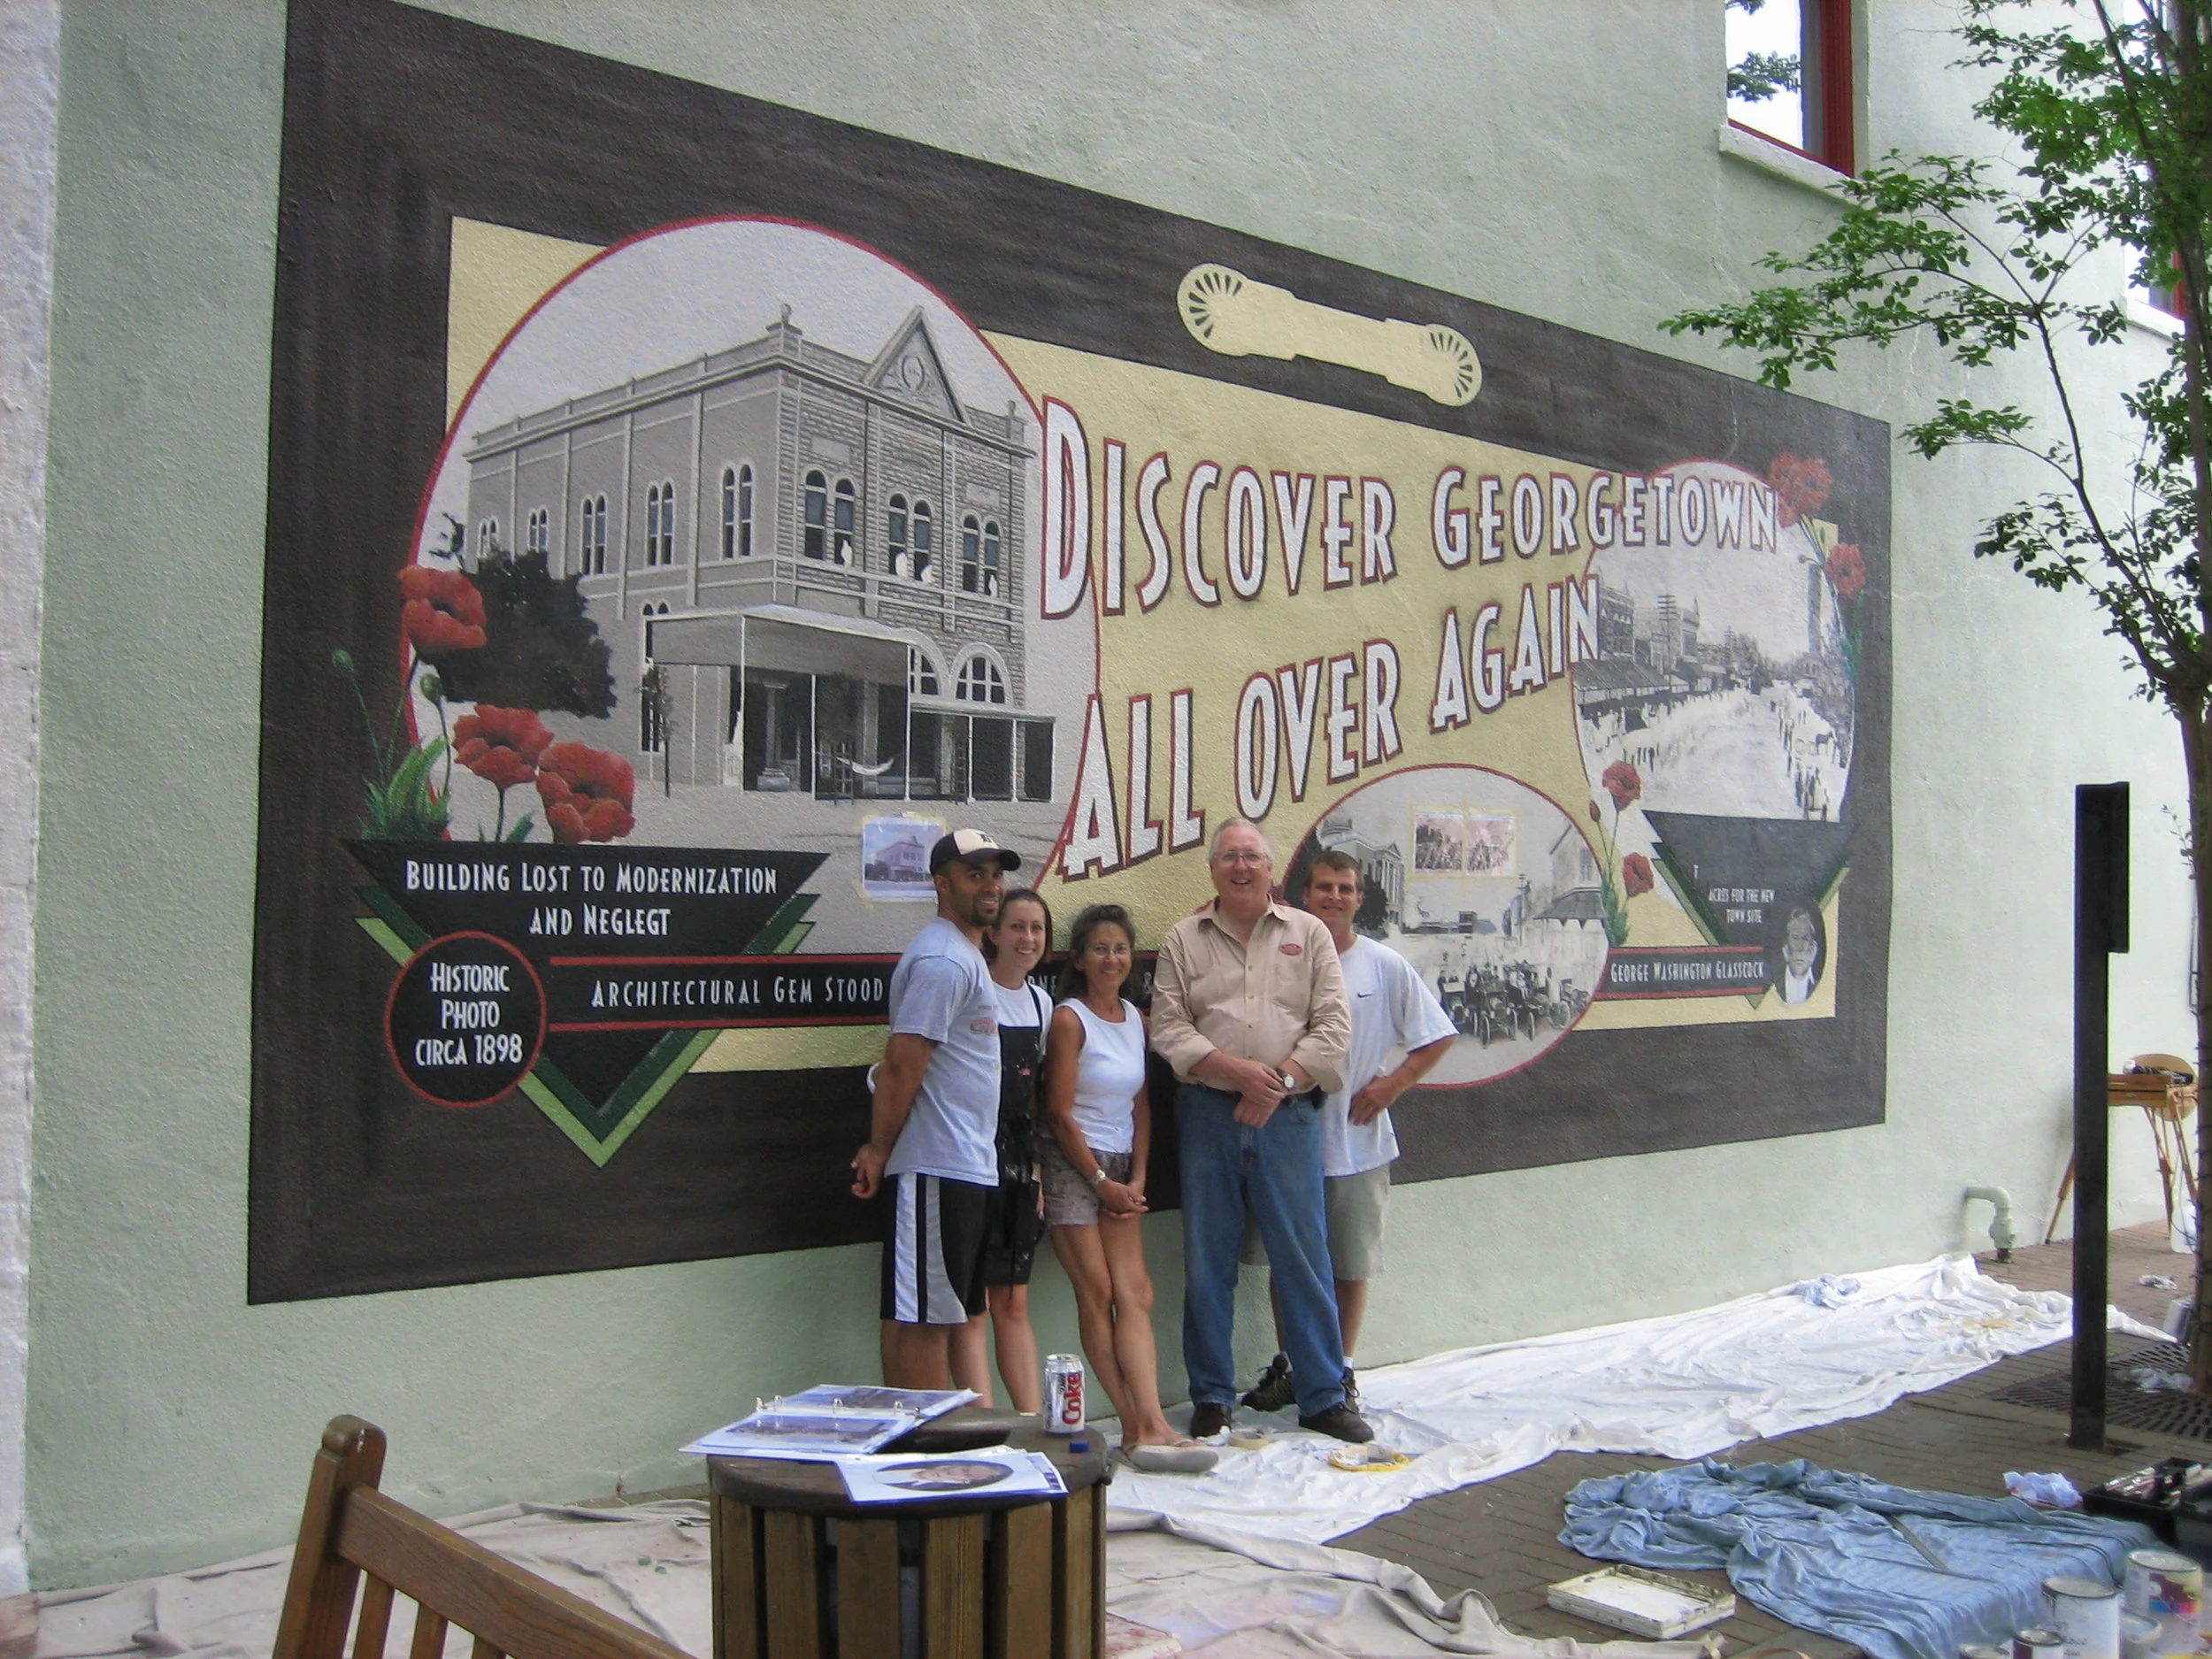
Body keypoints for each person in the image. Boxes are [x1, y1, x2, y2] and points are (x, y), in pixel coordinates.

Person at [1150, 818, 1367, 1443]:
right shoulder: (1183, 938)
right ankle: (1212, 1395)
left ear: (1271, 869)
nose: (1241, 867)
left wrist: (1276, 1082)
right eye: (1229, 857)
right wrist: (1235, 1072)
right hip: (1207, 1115)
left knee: (1303, 1258)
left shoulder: (1310, 934)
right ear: (1213, 868)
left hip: (1289, 1117)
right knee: (1206, 1258)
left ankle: (1323, 1393)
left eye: (1252, 857)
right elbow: (1168, 1025)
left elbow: (1333, 1026)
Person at [1240, 850, 1459, 1414]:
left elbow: (1437, 1036)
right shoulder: (1280, 959)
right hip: (1289, 1141)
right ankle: (1291, 1366)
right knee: (1291, 1263)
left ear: (1360, 898)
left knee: (1349, 1265)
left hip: (1357, 1143)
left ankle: (1341, 1371)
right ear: (1303, 896)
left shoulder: (1384, 966)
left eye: (1344, 888)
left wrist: (1394, 1084)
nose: (1333, 897)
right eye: (1323, 888)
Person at [1041, 904, 1217, 1472]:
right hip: (1075, 1165)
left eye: (1120, 948)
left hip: (1121, 1167)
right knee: (1098, 1294)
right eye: (1099, 948)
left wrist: (1136, 1178)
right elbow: (1059, 1114)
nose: (1111, 958)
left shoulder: (1135, 1020)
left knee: (1135, 1294)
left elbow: (1140, 1104)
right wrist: (1098, 1179)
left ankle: (1156, 1423)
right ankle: (1130, 1425)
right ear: (1080, 958)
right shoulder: (1069, 1019)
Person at [850, 828, 1020, 1387]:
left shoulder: (964, 957)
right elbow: (902, 1065)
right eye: (976, 874)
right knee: (922, 1320)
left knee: (932, 1314)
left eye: (997, 874)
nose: (991, 886)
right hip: (935, 1165)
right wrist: (879, 1148)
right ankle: (916, 1457)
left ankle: (919, 1446)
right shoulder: (944, 960)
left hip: (962, 1166)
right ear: (941, 884)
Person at [948, 887, 1054, 1412]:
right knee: (973, 1305)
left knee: (1014, 1299)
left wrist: (1036, 1173)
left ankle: (1032, 1426)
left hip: (1016, 1161)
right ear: (994, 933)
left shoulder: (1041, 1002)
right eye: (1017, 926)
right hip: (967, 1153)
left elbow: (1035, 1098)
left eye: (1037, 928)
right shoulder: (972, 988)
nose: (1027, 938)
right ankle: (983, 1432)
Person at [1776, 902, 1824, 1003]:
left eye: (1806, 938)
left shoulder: (1822, 986)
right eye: (1795, 938)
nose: (1800, 948)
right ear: (1785, 946)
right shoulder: (1774, 987)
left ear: (1813, 947)